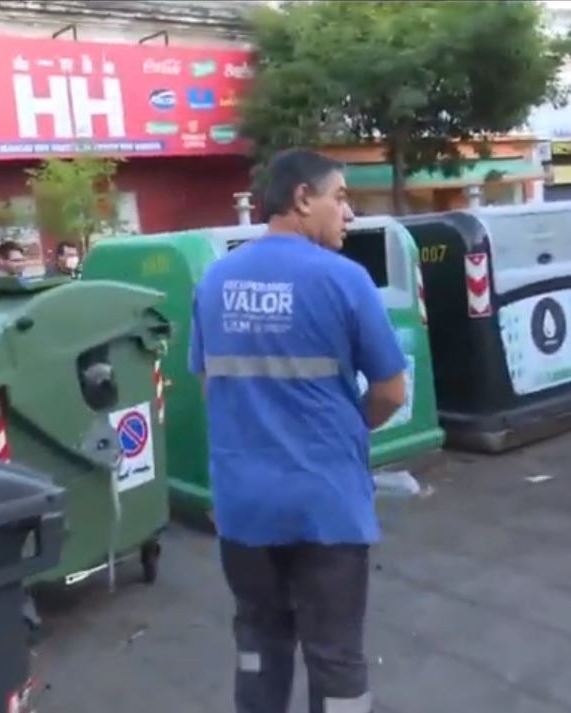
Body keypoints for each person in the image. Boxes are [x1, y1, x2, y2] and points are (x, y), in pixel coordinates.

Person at [189, 149, 407, 713]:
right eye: (341, 197)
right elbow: (390, 392)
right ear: (303, 198)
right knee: (335, 655)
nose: (349, 213)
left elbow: (212, 387)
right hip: (325, 505)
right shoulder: (345, 279)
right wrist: (345, 429)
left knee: (259, 643)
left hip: (244, 506)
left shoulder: (214, 281)